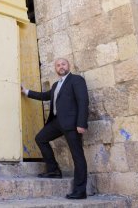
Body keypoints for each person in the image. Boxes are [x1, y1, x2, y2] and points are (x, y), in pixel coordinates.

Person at [21, 58, 89, 199]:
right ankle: (53, 170)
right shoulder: (55, 85)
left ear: (68, 66)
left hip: (72, 125)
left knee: (77, 156)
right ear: (55, 69)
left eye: (63, 64)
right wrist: (26, 91)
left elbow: (83, 101)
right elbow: (44, 96)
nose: (61, 67)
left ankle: (80, 190)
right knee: (40, 138)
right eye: (58, 65)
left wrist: (81, 123)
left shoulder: (76, 80)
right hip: (57, 122)